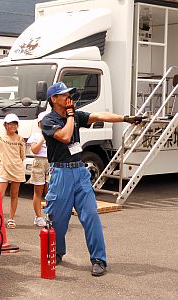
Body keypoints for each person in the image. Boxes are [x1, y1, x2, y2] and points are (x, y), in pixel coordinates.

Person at [42, 81, 144, 276]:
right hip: (60, 173)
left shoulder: (77, 115)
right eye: (65, 95)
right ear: (53, 99)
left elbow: (99, 115)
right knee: (58, 220)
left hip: (80, 172)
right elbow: (64, 136)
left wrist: (125, 118)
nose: (69, 98)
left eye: (70, 94)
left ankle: (99, 259)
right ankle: (57, 252)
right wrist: (71, 116)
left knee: (91, 216)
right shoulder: (48, 120)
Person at [0, 113, 26, 229]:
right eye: (10, 123)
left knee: (14, 195)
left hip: (17, 170)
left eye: (15, 123)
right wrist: (4, 163)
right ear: (5, 125)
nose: (13, 126)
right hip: (4, 170)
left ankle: (11, 219)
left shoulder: (20, 139)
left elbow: (22, 156)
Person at [26, 111, 49, 227]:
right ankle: (38, 217)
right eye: (42, 122)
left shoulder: (53, 133)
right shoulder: (36, 135)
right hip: (39, 161)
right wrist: (42, 139)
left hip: (51, 162)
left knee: (50, 191)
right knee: (38, 190)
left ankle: (50, 215)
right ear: (39, 123)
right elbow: (34, 150)